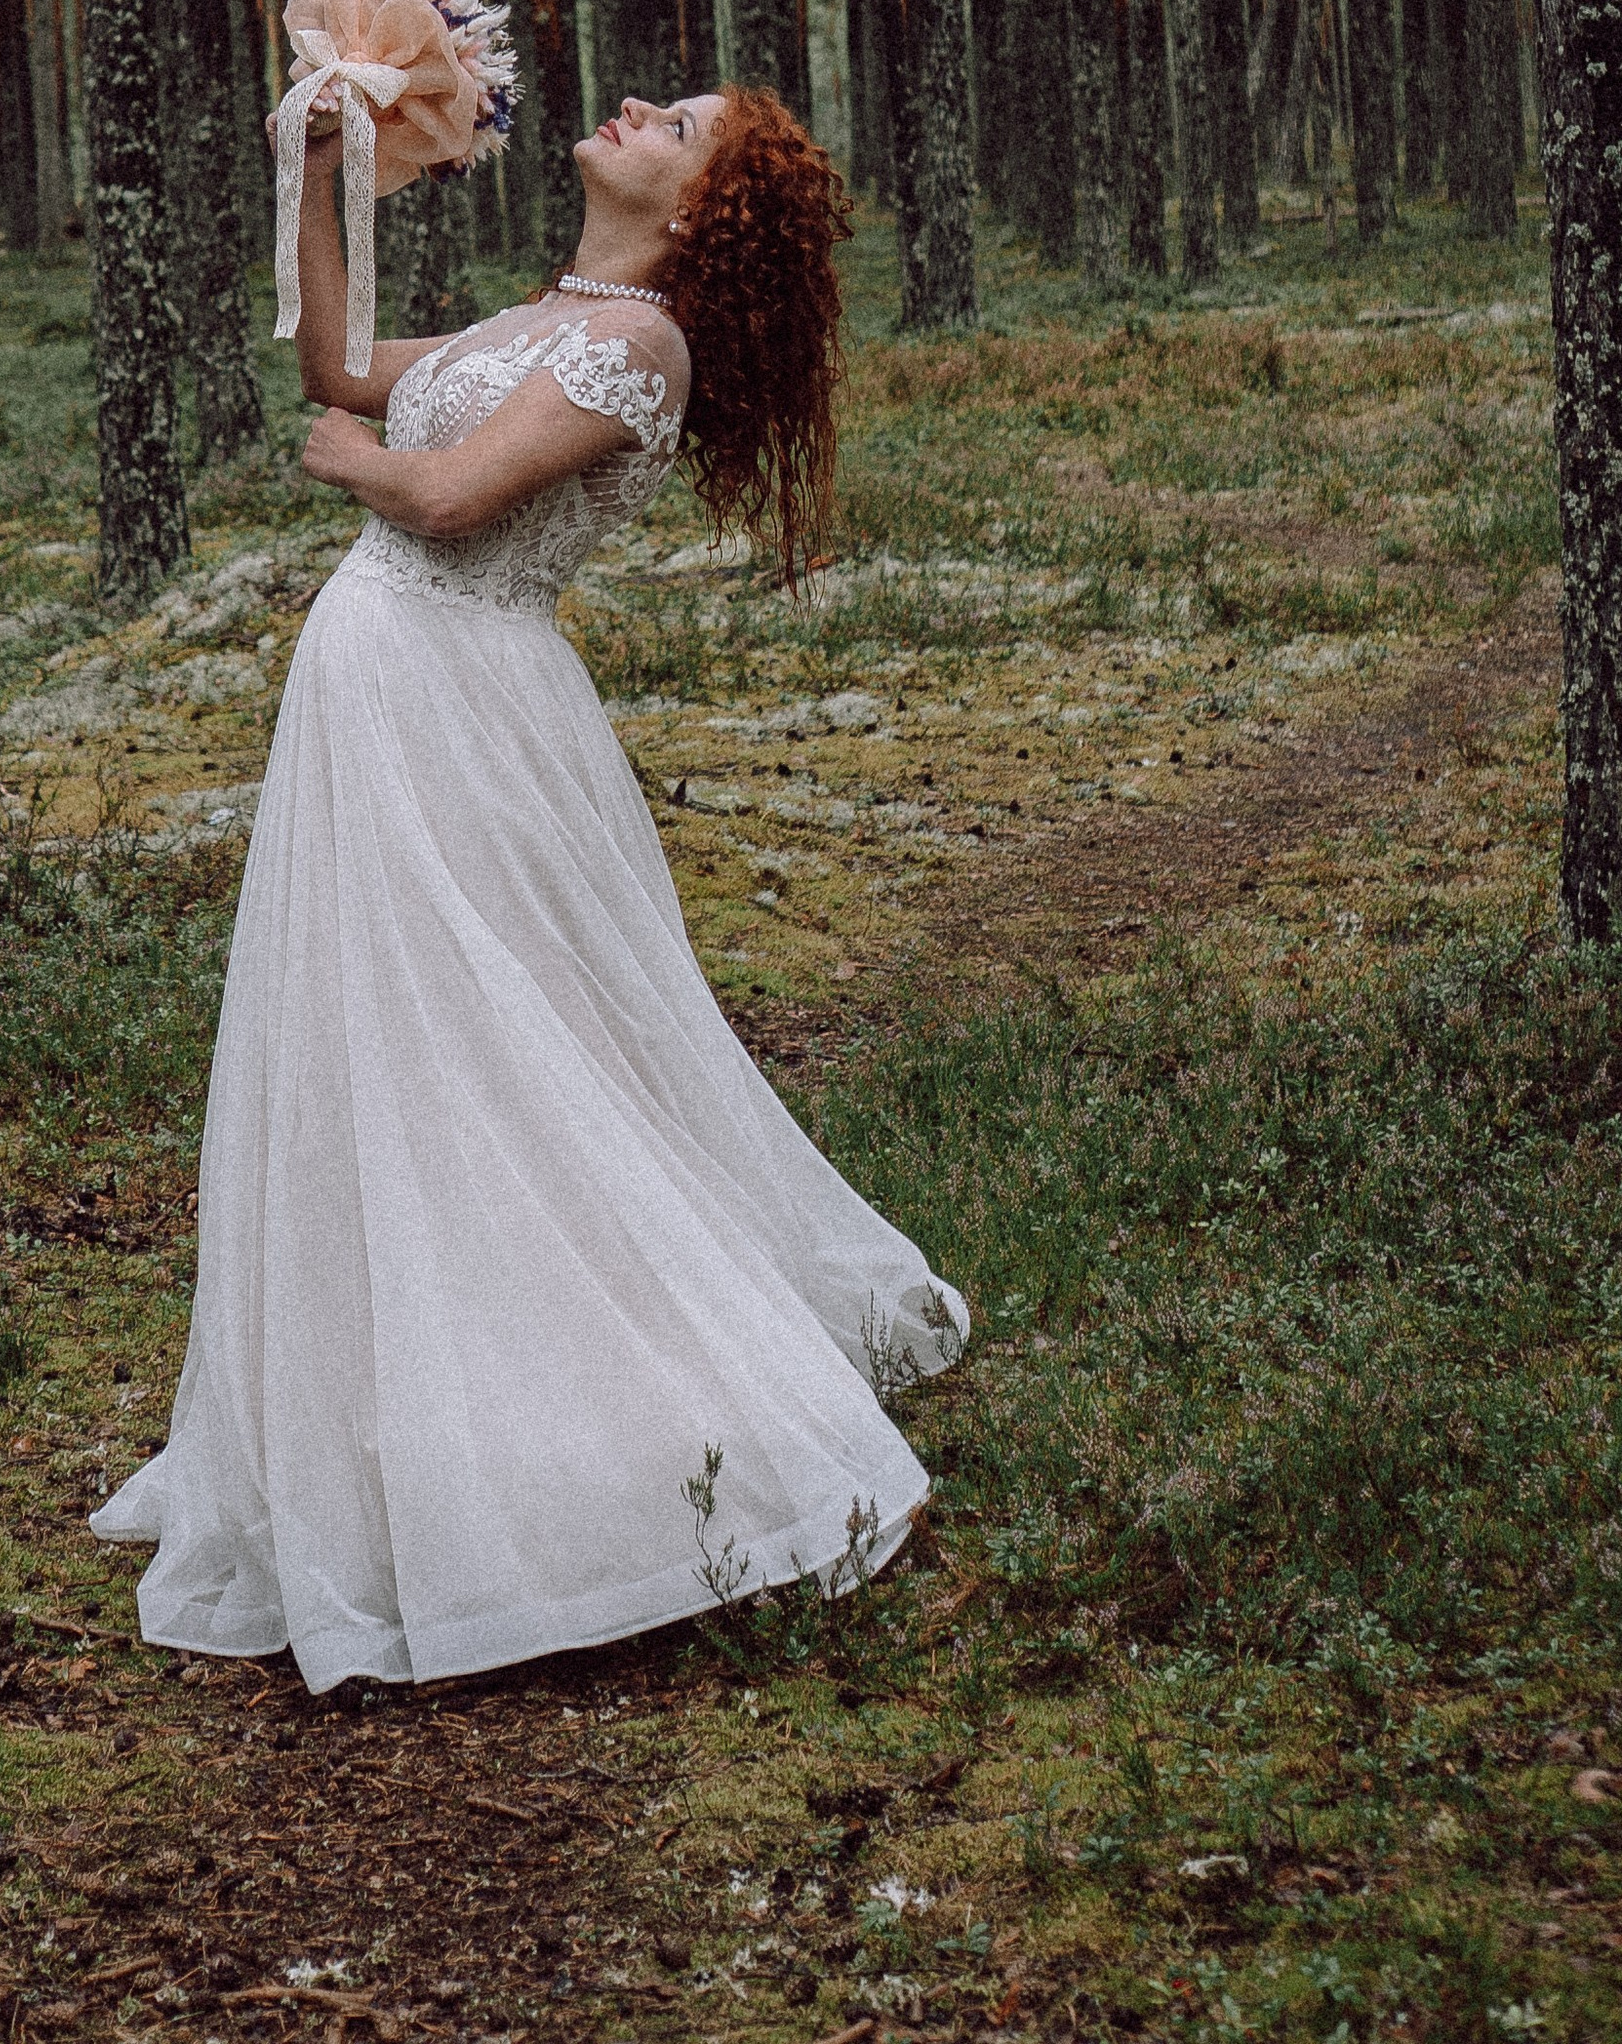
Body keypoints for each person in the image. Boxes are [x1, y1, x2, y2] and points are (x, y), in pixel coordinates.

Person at [93, 84, 967, 1693]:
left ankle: (596, 1438)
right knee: (390, 1054)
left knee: (507, 1051)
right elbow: (344, 371)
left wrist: (353, 464)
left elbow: (443, 496)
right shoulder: (557, 313)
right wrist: (311, 171)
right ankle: (419, 1417)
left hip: (463, 712)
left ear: (702, 206)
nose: (636, 107)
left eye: (677, 123)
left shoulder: (644, 350)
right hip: (383, 699)